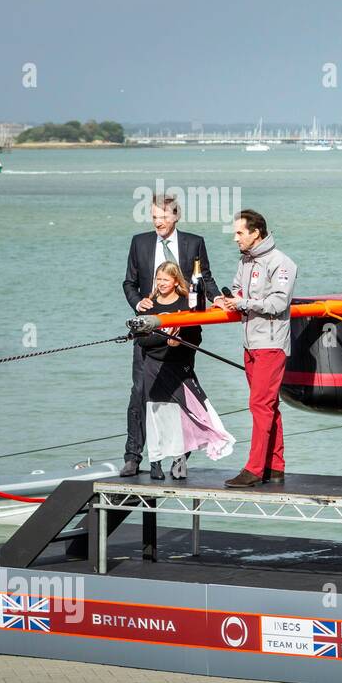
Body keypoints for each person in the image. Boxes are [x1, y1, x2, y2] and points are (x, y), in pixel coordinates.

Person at [121, 194, 219, 477]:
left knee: (182, 393)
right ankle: (133, 455)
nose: (158, 223)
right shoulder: (139, 242)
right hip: (149, 331)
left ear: (176, 216)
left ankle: (180, 456)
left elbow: (206, 279)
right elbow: (129, 282)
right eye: (154, 217)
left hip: (184, 331)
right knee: (140, 392)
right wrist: (138, 302)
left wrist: (218, 299)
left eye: (163, 218)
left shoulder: (193, 242)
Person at [214, 209, 297, 488]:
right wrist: (226, 300)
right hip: (250, 343)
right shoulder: (246, 261)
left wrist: (243, 303)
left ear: (255, 233)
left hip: (271, 345)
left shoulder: (282, 263)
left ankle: (253, 468)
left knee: (259, 405)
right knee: (268, 406)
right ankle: (275, 466)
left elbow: (278, 304)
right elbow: (239, 291)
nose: (235, 238)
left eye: (239, 233)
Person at [136, 263, 235, 479]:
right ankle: (155, 462)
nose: (161, 283)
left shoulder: (186, 303)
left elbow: (195, 336)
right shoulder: (147, 305)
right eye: (158, 279)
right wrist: (166, 341)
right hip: (154, 365)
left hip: (178, 365)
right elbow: (142, 340)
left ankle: (179, 458)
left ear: (175, 281)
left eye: (166, 279)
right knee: (156, 414)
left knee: (186, 414)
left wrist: (178, 344)